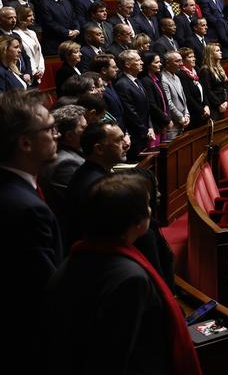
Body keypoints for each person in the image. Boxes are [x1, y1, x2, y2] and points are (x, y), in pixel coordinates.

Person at [40, 173, 201, 375]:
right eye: (146, 205)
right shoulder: (131, 279)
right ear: (137, 222)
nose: (151, 209)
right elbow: (112, 359)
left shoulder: (76, 257)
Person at [0, 90, 61, 371]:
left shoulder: (20, 189)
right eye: (50, 129)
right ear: (25, 143)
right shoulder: (26, 210)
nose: (57, 134)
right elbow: (44, 296)